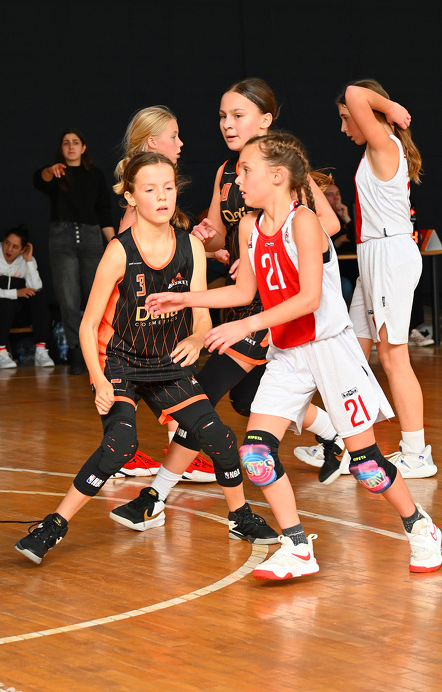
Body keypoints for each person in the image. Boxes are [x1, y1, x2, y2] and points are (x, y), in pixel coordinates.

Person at [145, 131, 442, 581]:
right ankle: (298, 546)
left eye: (246, 171)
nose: (237, 180)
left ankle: (421, 527)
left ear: (278, 175)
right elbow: (245, 291)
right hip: (287, 353)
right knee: (256, 455)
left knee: (367, 465)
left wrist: (246, 325)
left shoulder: (304, 223)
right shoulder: (250, 227)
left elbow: (308, 299)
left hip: (331, 350)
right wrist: (185, 299)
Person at [14, 152, 277, 565]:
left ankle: (239, 516)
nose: (162, 197)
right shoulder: (119, 251)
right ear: (131, 197)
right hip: (120, 363)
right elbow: (87, 326)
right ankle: (54, 525)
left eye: (168, 188)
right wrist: (100, 380)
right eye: (151, 189)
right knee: (120, 445)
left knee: (223, 440)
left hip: (168, 364)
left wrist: (196, 337)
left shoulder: (191, 246)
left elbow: (201, 312)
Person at [158, 78, 346, 489]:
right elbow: (220, 238)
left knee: (202, 392)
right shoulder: (227, 173)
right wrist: (209, 239)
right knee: (247, 400)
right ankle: (334, 432)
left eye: (237, 115)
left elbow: (329, 225)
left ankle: (158, 490)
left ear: (265, 120)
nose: (227, 123)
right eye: (222, 116)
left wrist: (267, 249)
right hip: (240, 298)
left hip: (273, 304)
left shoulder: (282, 169)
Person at [336, 79, 437, 479]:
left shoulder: (383, 144)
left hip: (388, 254)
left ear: (370, 115)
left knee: (394, 356)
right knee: (353, 351)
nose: (344, 127)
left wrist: (391, 107)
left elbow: (354, 92)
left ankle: (416, 453)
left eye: (347, 119)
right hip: (375, 256)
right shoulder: (374, 150)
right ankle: (345, 446)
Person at [109, 105, 215, 482]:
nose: (181, 143)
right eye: (174, 136)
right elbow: (134, 266)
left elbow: (165, 254)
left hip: (152, 315)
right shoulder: (136, 208)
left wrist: (200, 249)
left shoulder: (153, 195)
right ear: (153, 142)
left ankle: (134, 450)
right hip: (134, 320)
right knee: (164, 374)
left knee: (164, 375)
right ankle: (142, 452)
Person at [33, 128, 115, 375]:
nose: (71, 147)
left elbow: (104, 210)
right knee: (68, 299)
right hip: (62, 238)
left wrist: (114, 243)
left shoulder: (95, 174)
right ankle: (76, 350)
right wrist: (51, 170)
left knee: (95, 297)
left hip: (91, 238)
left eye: (75, 142)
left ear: (83, 147)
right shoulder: (56, 172)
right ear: (61, 148)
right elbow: (39, 180)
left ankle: (99, 349)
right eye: (66, 143)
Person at [0, 224, 54, 368]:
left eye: (15, 246)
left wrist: (29, 261)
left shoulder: (26, 260)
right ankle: (0, 353)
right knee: (6, 304)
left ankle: (41, 351)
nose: (9, 249)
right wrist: (16, 293)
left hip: (16, 315)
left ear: (23, 249)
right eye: (7, 243)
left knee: (39, 299)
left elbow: (36, 288)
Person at [323, 182, 359, 302]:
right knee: (345, 285)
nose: (336, 198)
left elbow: (358, 238)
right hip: (330, 272)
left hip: (351, 268)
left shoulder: (343, 215)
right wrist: (339, 240)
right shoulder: (319, 218)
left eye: (338, 194)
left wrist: (346, 218)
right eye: (330, 194)